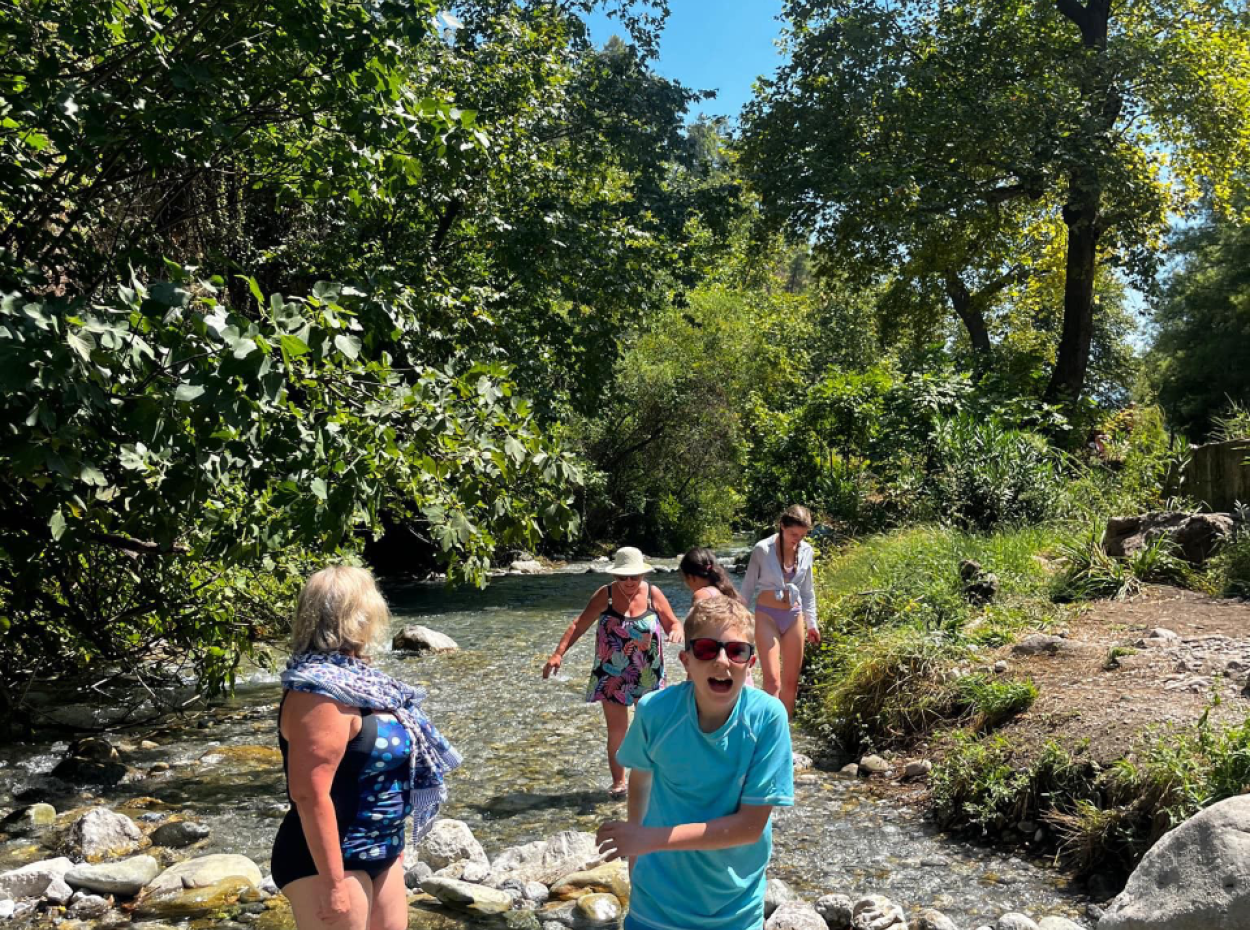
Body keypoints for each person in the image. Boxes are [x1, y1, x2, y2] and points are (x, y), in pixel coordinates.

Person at [271, 566, 461, 930]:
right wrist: (333, 884)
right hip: (328, 861)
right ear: (361, 614)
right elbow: (309, 796)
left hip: (381, 850)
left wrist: (396, 841)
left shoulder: (365, 682)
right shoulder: (317, 693)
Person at [596, 596, 794, 930]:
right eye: (705, 649)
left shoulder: (767, 718)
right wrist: (636, 857)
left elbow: (750, 826)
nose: (721, 661)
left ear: (751, 662)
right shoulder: (655, 712)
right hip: (656, 903)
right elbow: (640, 782)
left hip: (734, 907)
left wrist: (648, 839)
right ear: (686, 660)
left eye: (736, 651)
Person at [542, 546, 684, 798]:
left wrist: (676, 630)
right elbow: (579, 624)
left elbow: (673, 621)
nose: (629, 582)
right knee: (617, 730)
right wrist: (558, 653)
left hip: (647, 671)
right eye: (622, 577)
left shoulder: (653, 594)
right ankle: (619, 783)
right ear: (615, 576)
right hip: (612, 673)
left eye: (634, 577)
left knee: (651, 727)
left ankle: (652, 781)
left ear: (642, 574)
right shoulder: (604, 595)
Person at [741, 504, 821, 717]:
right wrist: (737, 620)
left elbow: (807, 591)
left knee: (791, 682)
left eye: (803, 535)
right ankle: (768, 731)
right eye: (794, 534)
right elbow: (748, 587)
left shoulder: (807, 551)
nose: (798, 539)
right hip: (767, 614)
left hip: (794, 615)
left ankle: (784, 735)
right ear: (782, 526)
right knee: (772, 680)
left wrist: (812, 623)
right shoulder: (762, 549)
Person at [678, 546, 744, 608]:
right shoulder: (729, 593)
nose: (686, 584)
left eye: (685, 578)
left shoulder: (702, 595)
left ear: (691, 577)